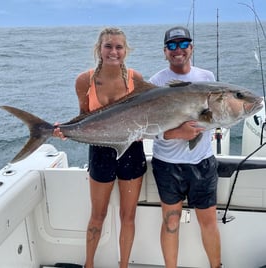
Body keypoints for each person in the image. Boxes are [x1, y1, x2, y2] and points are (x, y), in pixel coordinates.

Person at [54, 27, 147, 268]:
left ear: (126, 51)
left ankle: (124, 265)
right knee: (98, 216)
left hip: (131, 150)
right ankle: (89, 264)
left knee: (128, 217)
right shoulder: (84, 80)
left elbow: (148, 113)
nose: (113, 51)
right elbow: (84, 119)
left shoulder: (135, 79)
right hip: (100, 150)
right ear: (99, 49)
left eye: (119, 47)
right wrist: (65, 129)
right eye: (108, 46)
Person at [149, 26, 222, 268]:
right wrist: (178, 133)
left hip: (202, 162)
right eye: (171, 46)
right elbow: (147, 126)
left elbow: (214, 117)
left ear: (191, 48)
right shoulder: (156, 82)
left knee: (209, 221)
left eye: (183, 44)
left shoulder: (207, 78)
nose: (177, 50)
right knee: (170, 222)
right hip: (168, 165)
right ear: (164, 52)